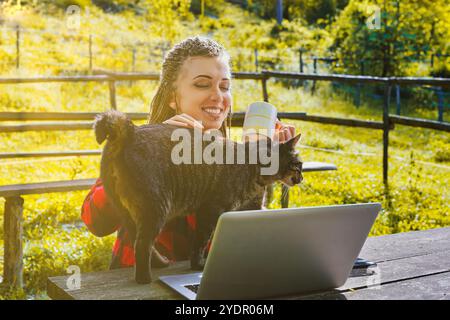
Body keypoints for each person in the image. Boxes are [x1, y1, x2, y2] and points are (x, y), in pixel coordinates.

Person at [81, 36, 296, 270]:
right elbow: (96, 221)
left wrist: (269, 167)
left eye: (225, 86)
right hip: (141, 288)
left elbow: (246, 230)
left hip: (206, 284)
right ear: (173, 97)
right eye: (203, 84)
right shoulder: (140, 148)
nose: (218, 96)